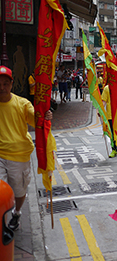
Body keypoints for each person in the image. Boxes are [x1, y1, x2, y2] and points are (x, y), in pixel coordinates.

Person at [0, 66, 52, 231]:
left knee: (19, 192)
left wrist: (45, 116)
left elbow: (36, 119)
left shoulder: (22, 103)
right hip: (0, 155)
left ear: (11, 84)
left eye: (5, 83)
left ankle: (16, 213)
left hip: (19, 156)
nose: (2, 87)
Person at [101, 84, 117, 158]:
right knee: (112, 133)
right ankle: (114, 149)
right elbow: (104, 100)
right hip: (110, 115)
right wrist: (100, 110)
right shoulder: (106, 88)